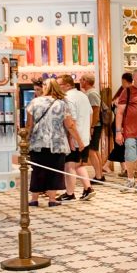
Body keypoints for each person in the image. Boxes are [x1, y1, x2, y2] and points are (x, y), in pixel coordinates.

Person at [25, 78, 81, 207]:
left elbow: (29, 124)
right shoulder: (62, 104)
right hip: (57, 143)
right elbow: (70, 125)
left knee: (37, 170)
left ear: (45, 88)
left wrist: (26, 139)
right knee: (55, 170)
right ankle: (52, 199)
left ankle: (34, 199)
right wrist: (79, 141)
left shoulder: (34, 102)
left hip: (37, 143)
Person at [56, 74, 92, 202]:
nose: (57, 87)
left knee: (69, 165)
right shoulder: (83, 95)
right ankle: (88, 188)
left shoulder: (67, 98)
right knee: (78, 164)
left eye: (59, 85)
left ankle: (70, 193)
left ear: (67, 85)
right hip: (84, 136)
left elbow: (71, 122)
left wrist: (71, 139)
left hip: (75, 138)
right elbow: (91, 114)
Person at [79, 73, 104, 184]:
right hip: (94, 125)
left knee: (91, 151)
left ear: (86, 81)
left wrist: (92, 126)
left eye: (81, 80)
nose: (80, 81)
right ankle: (99, 174)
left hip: (95, 125)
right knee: (94, 150)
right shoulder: (89, 93)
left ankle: (98, 176)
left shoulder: (92, 94)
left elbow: (95, 111)